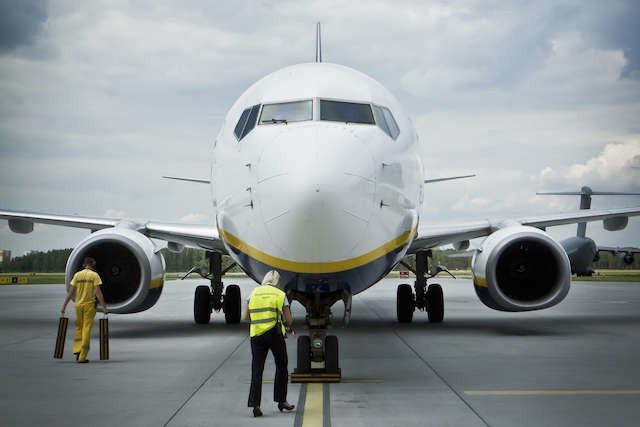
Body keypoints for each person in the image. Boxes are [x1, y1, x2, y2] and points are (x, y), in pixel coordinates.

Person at [245, 270, 295, 417]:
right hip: (274, 334)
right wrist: (285, 324)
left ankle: (255, 405)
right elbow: (289, 320)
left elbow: (246, 317)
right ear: (277, 283)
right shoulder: (280, 295)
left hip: (256, 335)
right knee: (281, 365)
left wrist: (259, 323)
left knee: (257, 369)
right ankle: (281, 400)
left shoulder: (253, 293)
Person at [61, 257, 108, 363]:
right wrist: (104, 307)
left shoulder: (77, 275)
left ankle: (77, 350)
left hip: (78, 305)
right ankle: (82, 356)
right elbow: (98, 293)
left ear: (84, 265)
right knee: (86, 329)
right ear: (92, 265)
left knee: (79, 328)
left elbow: (71, 292)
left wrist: (64, 306)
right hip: (89, 305)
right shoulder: (94, 275)